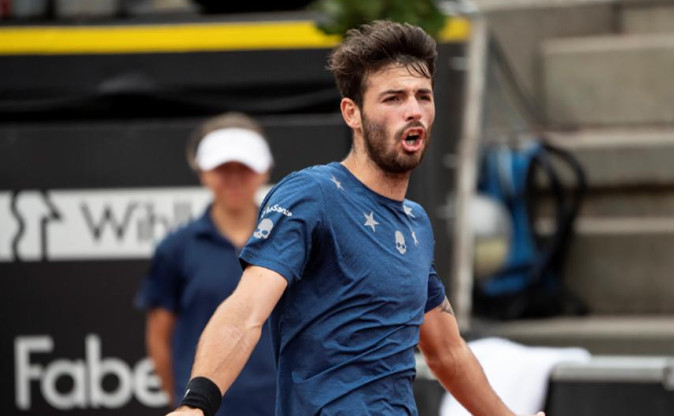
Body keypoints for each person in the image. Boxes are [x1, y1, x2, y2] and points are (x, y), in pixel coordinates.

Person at [169, 21, 546, 416]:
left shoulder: (414, 222)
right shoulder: (312, 194)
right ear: (352, 113)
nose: (414, 110)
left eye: (423, 96)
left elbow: (447, 351)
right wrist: (197, 405)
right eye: (393, 98)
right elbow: (247, 310)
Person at [134, 112, 277, 415]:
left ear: (264, 172)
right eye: (223, 168)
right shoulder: (176, 248)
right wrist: (186, 404)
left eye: (245, 168)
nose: (234, 178)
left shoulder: (289, 240)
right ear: (204, 173)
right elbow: (159, 338)